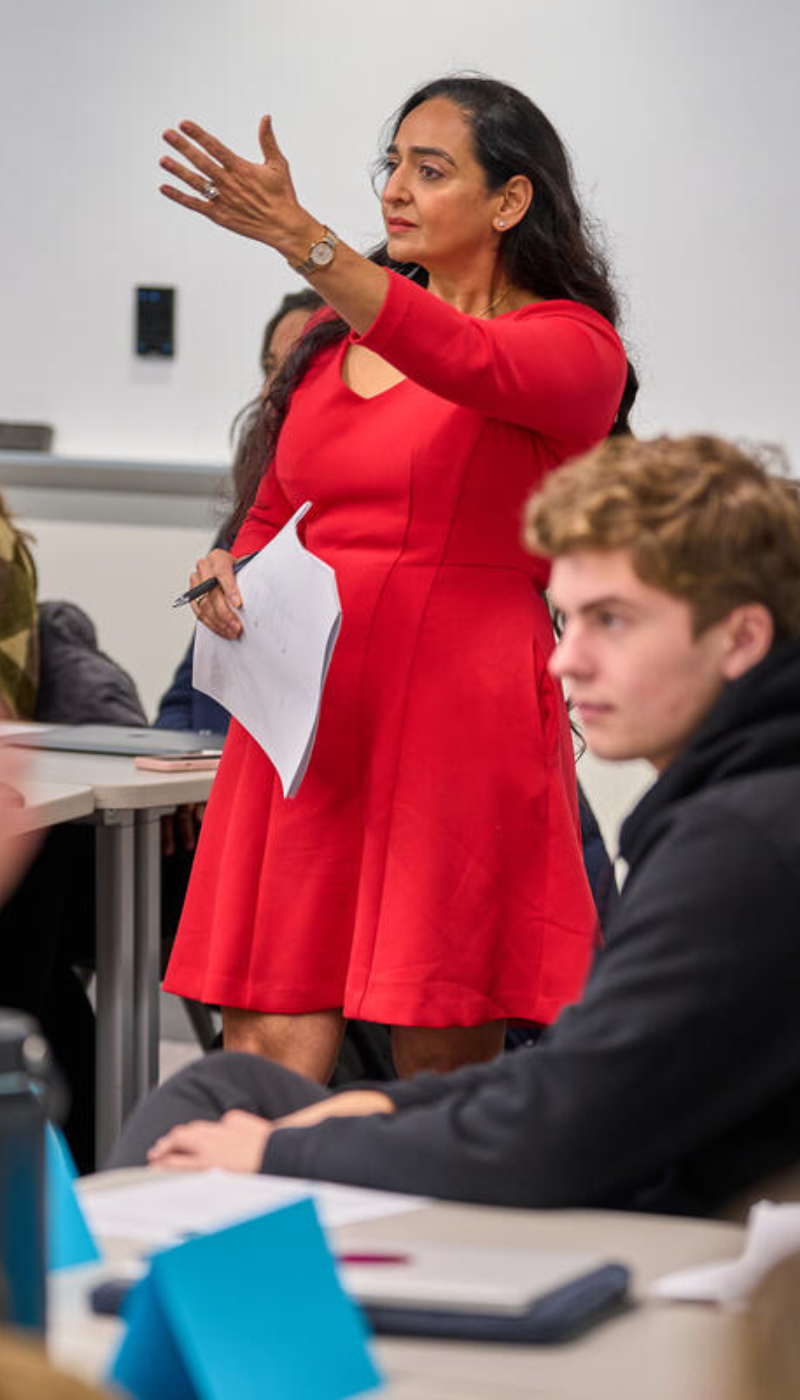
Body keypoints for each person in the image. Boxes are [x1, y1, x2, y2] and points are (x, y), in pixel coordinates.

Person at [110, 434, 800, 1220]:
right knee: (228, 1091)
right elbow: (586, 1080)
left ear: (742, 638)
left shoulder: (743, 844)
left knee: (214, 1114)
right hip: (638, 1193)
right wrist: (387, 1114)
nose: (563, 661)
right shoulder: (740, 806)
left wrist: (282, 1152)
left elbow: (564, 1136)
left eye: (612, 622)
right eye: (566, 620)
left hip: (655, 1246)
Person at [158, 75, 634, 1083]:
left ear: (509, 201)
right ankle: (259, 1225)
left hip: (454, 712)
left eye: (430, 170)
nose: (394, 190)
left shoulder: (570, 345)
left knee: (438, 1026)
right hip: (304, 716)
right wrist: (224, 565)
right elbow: (275, 507)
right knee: (266, 1033)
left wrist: (305, 244)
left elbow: (456, 357)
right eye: (391, 165)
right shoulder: (334, 346)